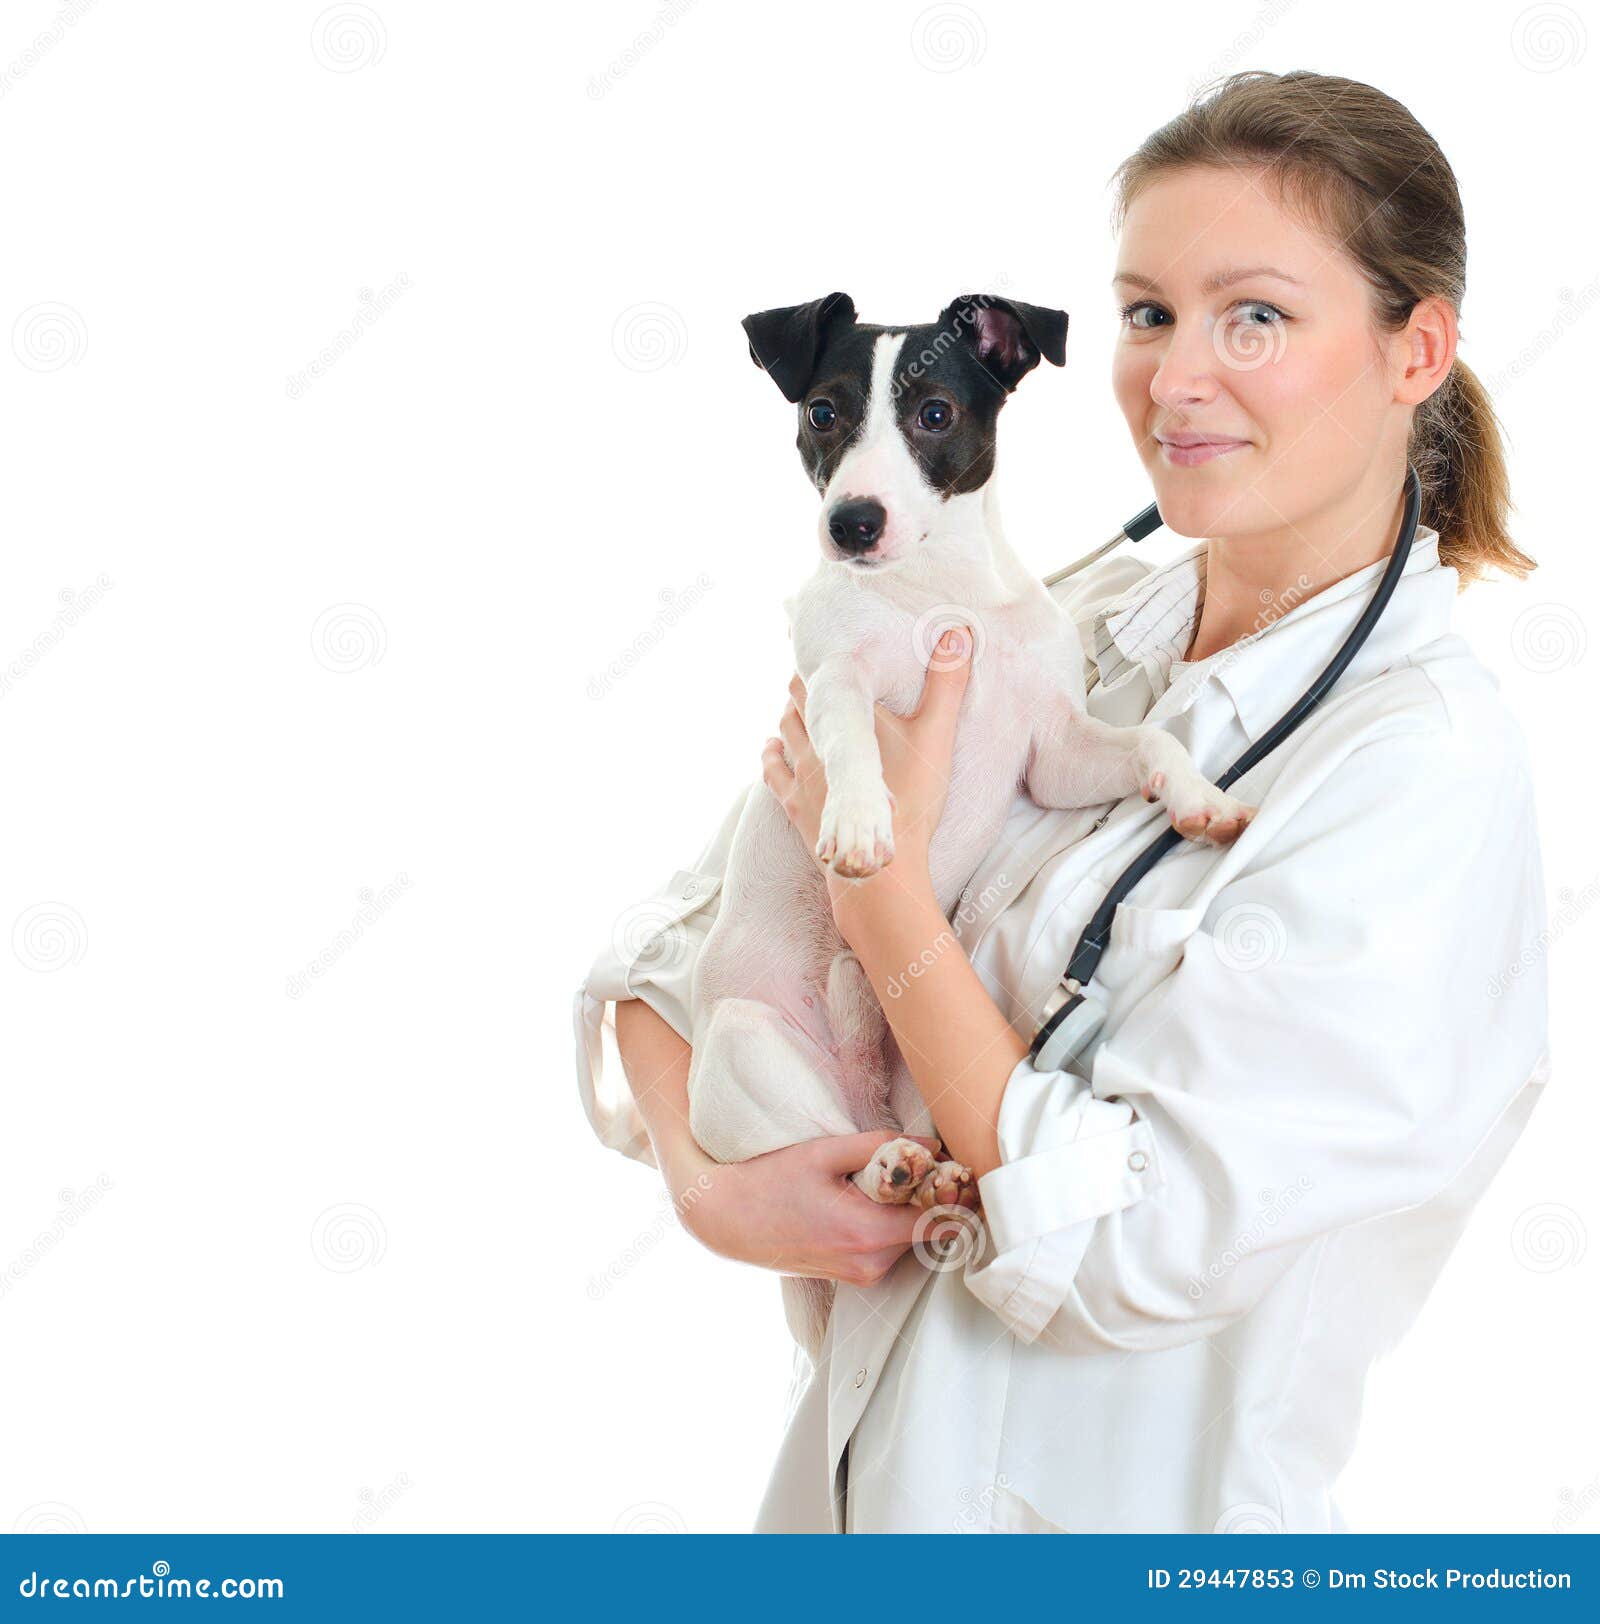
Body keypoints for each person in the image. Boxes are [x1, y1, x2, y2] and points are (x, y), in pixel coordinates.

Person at [573, 70, 1551, 1533]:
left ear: (1417, 350)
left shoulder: (1421, 770)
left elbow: (1122, 1253)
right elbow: (676, 939)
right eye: (1150, 313)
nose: (1177, 376)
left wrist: (883, 901)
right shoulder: (1066, 621)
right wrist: (710, 1188)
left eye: (1257, 316)